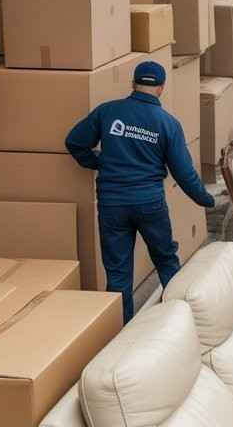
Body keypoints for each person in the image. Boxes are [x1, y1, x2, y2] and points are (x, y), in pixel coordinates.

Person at [65, 60, 215, 322]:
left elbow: (74, 142)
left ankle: (121, 335)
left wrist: (99, 162)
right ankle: (179, 322)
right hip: (149, 203)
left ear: (133, 83)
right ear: (161, 88)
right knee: (166, 261)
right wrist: (205, 199)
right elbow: (184, 173)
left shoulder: (107, 112)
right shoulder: (167, 123)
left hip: (112, 204)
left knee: (118, 274)